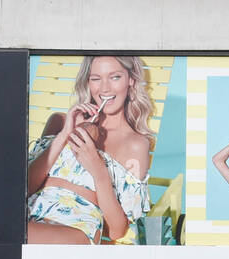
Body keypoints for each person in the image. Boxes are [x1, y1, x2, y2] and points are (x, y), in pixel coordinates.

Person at [27, 55, 152, 244]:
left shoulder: (135, 143)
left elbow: (117, 230)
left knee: (5, 234)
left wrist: (97, 167)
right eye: (96, 78)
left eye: (115, 77)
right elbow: (25, 188)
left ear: (131, 80)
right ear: (88, 82)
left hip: (74, 227)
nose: (104, 88)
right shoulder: (60, 121)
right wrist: (63, 136)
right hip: (28, 213)